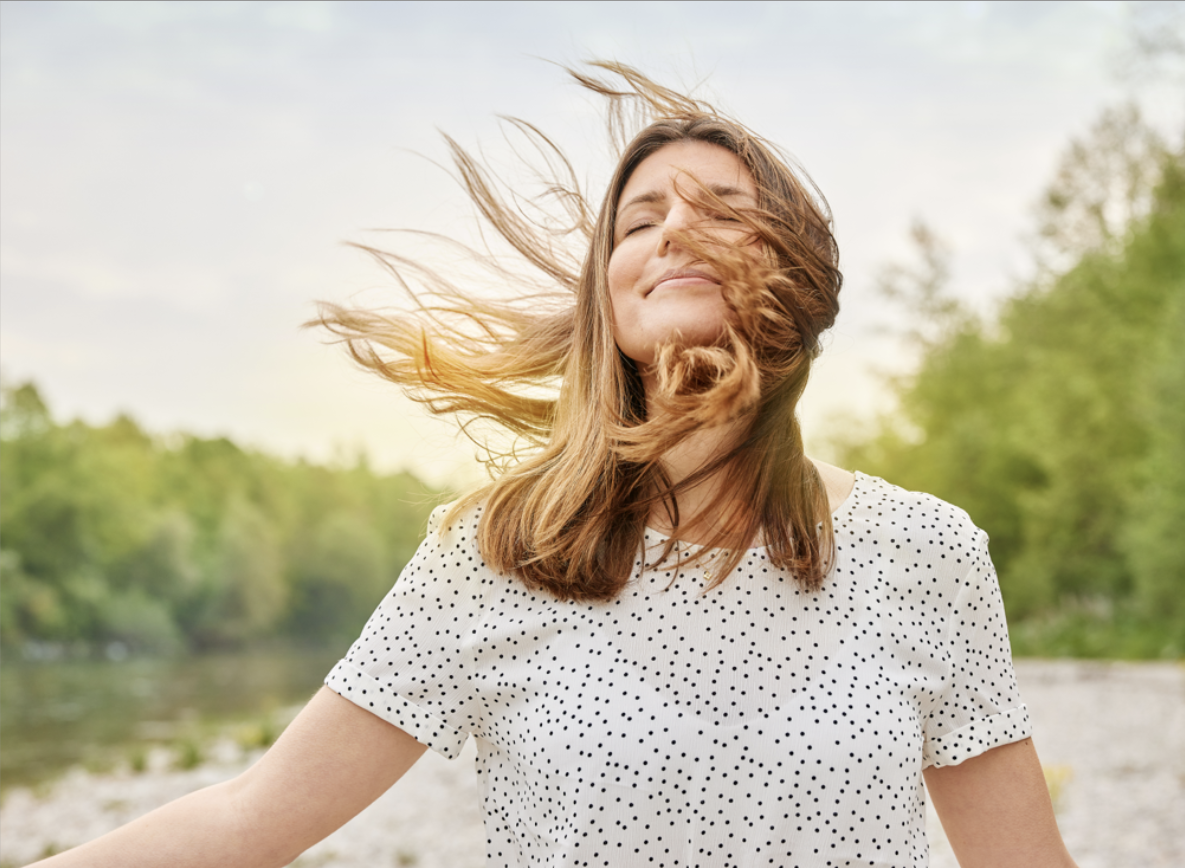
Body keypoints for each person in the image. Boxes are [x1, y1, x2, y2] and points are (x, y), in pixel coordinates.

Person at [35, 63, 1076, 868]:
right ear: (608, 298)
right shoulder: (497, 550)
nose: (673, 230)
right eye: (639, 219)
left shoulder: (924, 550)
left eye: (718, 208)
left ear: (795, 273)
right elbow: (251, 818)